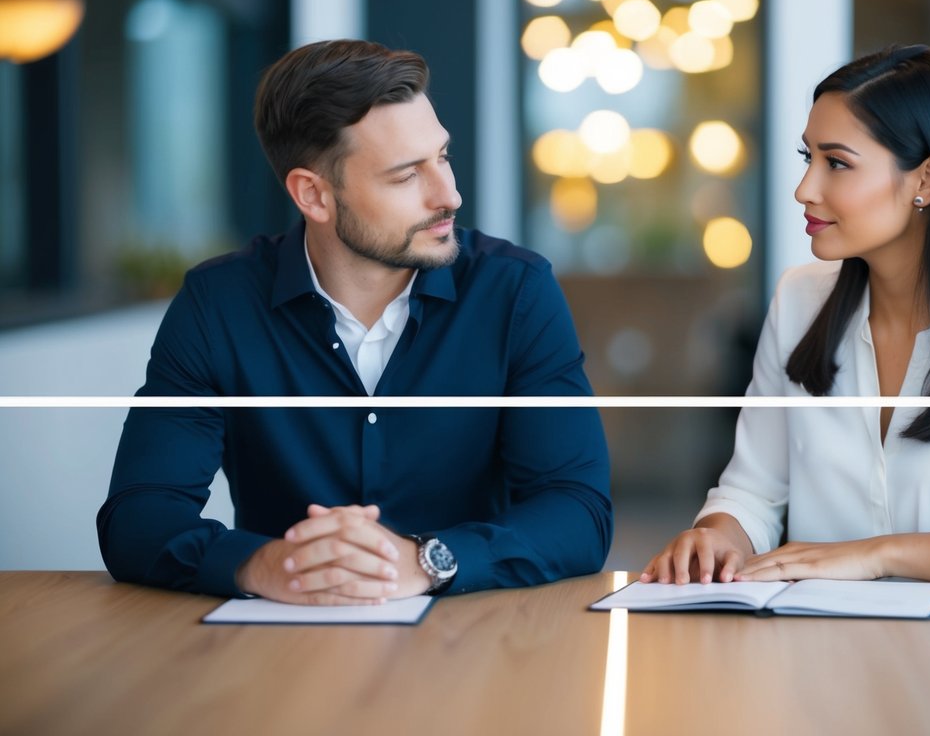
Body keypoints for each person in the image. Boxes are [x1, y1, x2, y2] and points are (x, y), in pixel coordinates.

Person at [98, 39, 612, 605]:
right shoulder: (218, 304)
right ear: (313, 195)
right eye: (405, 175)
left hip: (473, 639)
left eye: (442, 156)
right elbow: (138, 516)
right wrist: (263, 564)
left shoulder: (515, 292)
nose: (450, 195)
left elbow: (577, 510)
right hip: (278, 649)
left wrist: (426, 560)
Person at [644, 45, 930, 587]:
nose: (805, 189)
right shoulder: (798, 300)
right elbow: (752, 491)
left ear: (925, 181)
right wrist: (718, 536)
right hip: (823, 653)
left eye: (837, 163)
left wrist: (875, 554)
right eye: (808, 159)